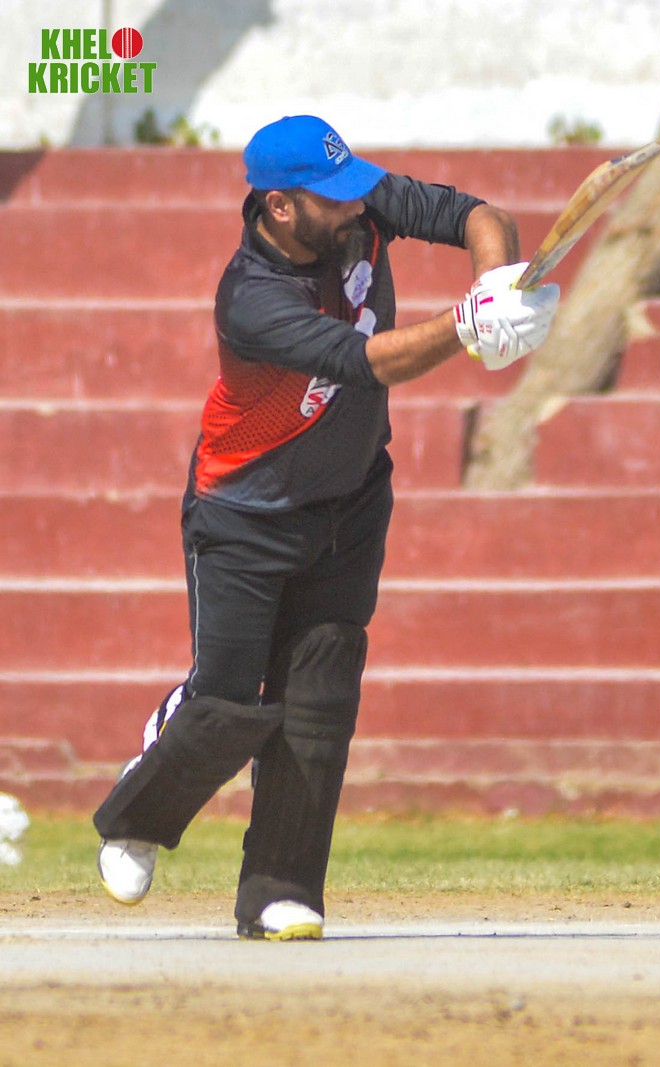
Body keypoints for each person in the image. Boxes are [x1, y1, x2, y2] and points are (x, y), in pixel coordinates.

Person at [91, 115, 557, 941]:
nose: (357, 206)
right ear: (280, 206)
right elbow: (365, 362)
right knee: (227, 705)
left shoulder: (355, 202)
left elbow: (480, 215)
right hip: (245, 514)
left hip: (351, 497)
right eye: (333, 197)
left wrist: (496, 284)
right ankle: (143, 800)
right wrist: (469, 327)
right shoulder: (251, 300)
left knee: (321, 698)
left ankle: (279, 891)